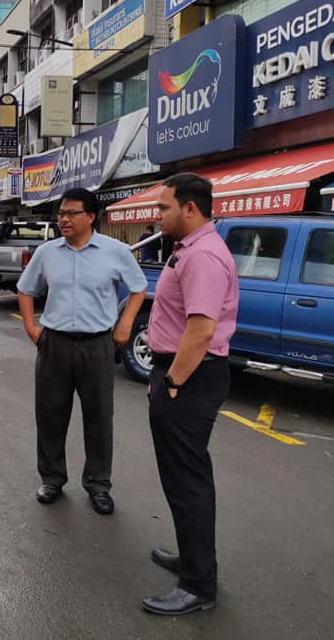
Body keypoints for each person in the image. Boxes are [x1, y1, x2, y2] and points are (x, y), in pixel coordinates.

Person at [141, 173, 239, 616]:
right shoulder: (189, 250)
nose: (156, 214)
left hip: (191, 380)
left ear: (191, 209)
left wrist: (173, 382)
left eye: (164, 208)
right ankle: (193, 559)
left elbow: (200, 331)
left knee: (188, 483)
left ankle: (198, 585)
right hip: (181, 374)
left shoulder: (202, 257)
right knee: (182, 479)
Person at [16, 187, 147, 514]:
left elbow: (139, 287)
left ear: (91, 216)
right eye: (61, 213)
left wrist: (126, 323)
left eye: (72, 213)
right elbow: (25, 289)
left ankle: (99, 484)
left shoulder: (115, 251)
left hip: (98, 344)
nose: (64, 219)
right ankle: (52, 478)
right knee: (50, 414)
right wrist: (32, 327)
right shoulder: (48, 252)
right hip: (54, 344)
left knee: (99, 417)